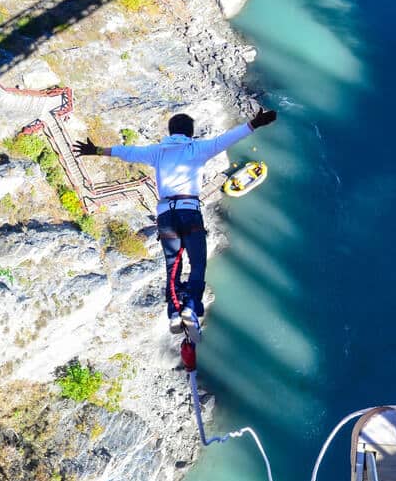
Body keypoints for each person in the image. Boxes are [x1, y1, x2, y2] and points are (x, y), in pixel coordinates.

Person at [72, 108, 277, 343]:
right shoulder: (198, 149)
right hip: (189, 211)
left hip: (166, 215)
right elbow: (229, 138)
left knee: (173, 266)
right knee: (198, 263)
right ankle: (190, 307)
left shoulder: (157, 152)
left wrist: (95, 150)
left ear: (171, 132)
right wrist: (256, 123)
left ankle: (173, 315)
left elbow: (125, 152)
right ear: (190, 134)